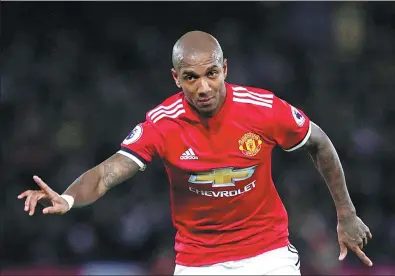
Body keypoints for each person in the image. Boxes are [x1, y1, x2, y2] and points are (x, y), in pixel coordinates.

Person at [18, 31, 373, 275]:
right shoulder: (162, 123)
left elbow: (319, 143)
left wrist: (346, 212)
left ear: (225, 70)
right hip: (198, 263)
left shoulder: (263, 109)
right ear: (176, 78)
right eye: (191, 77)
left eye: (211, 74)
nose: (203, 87)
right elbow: (108, 172)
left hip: (268, 256)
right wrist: (66, 198)